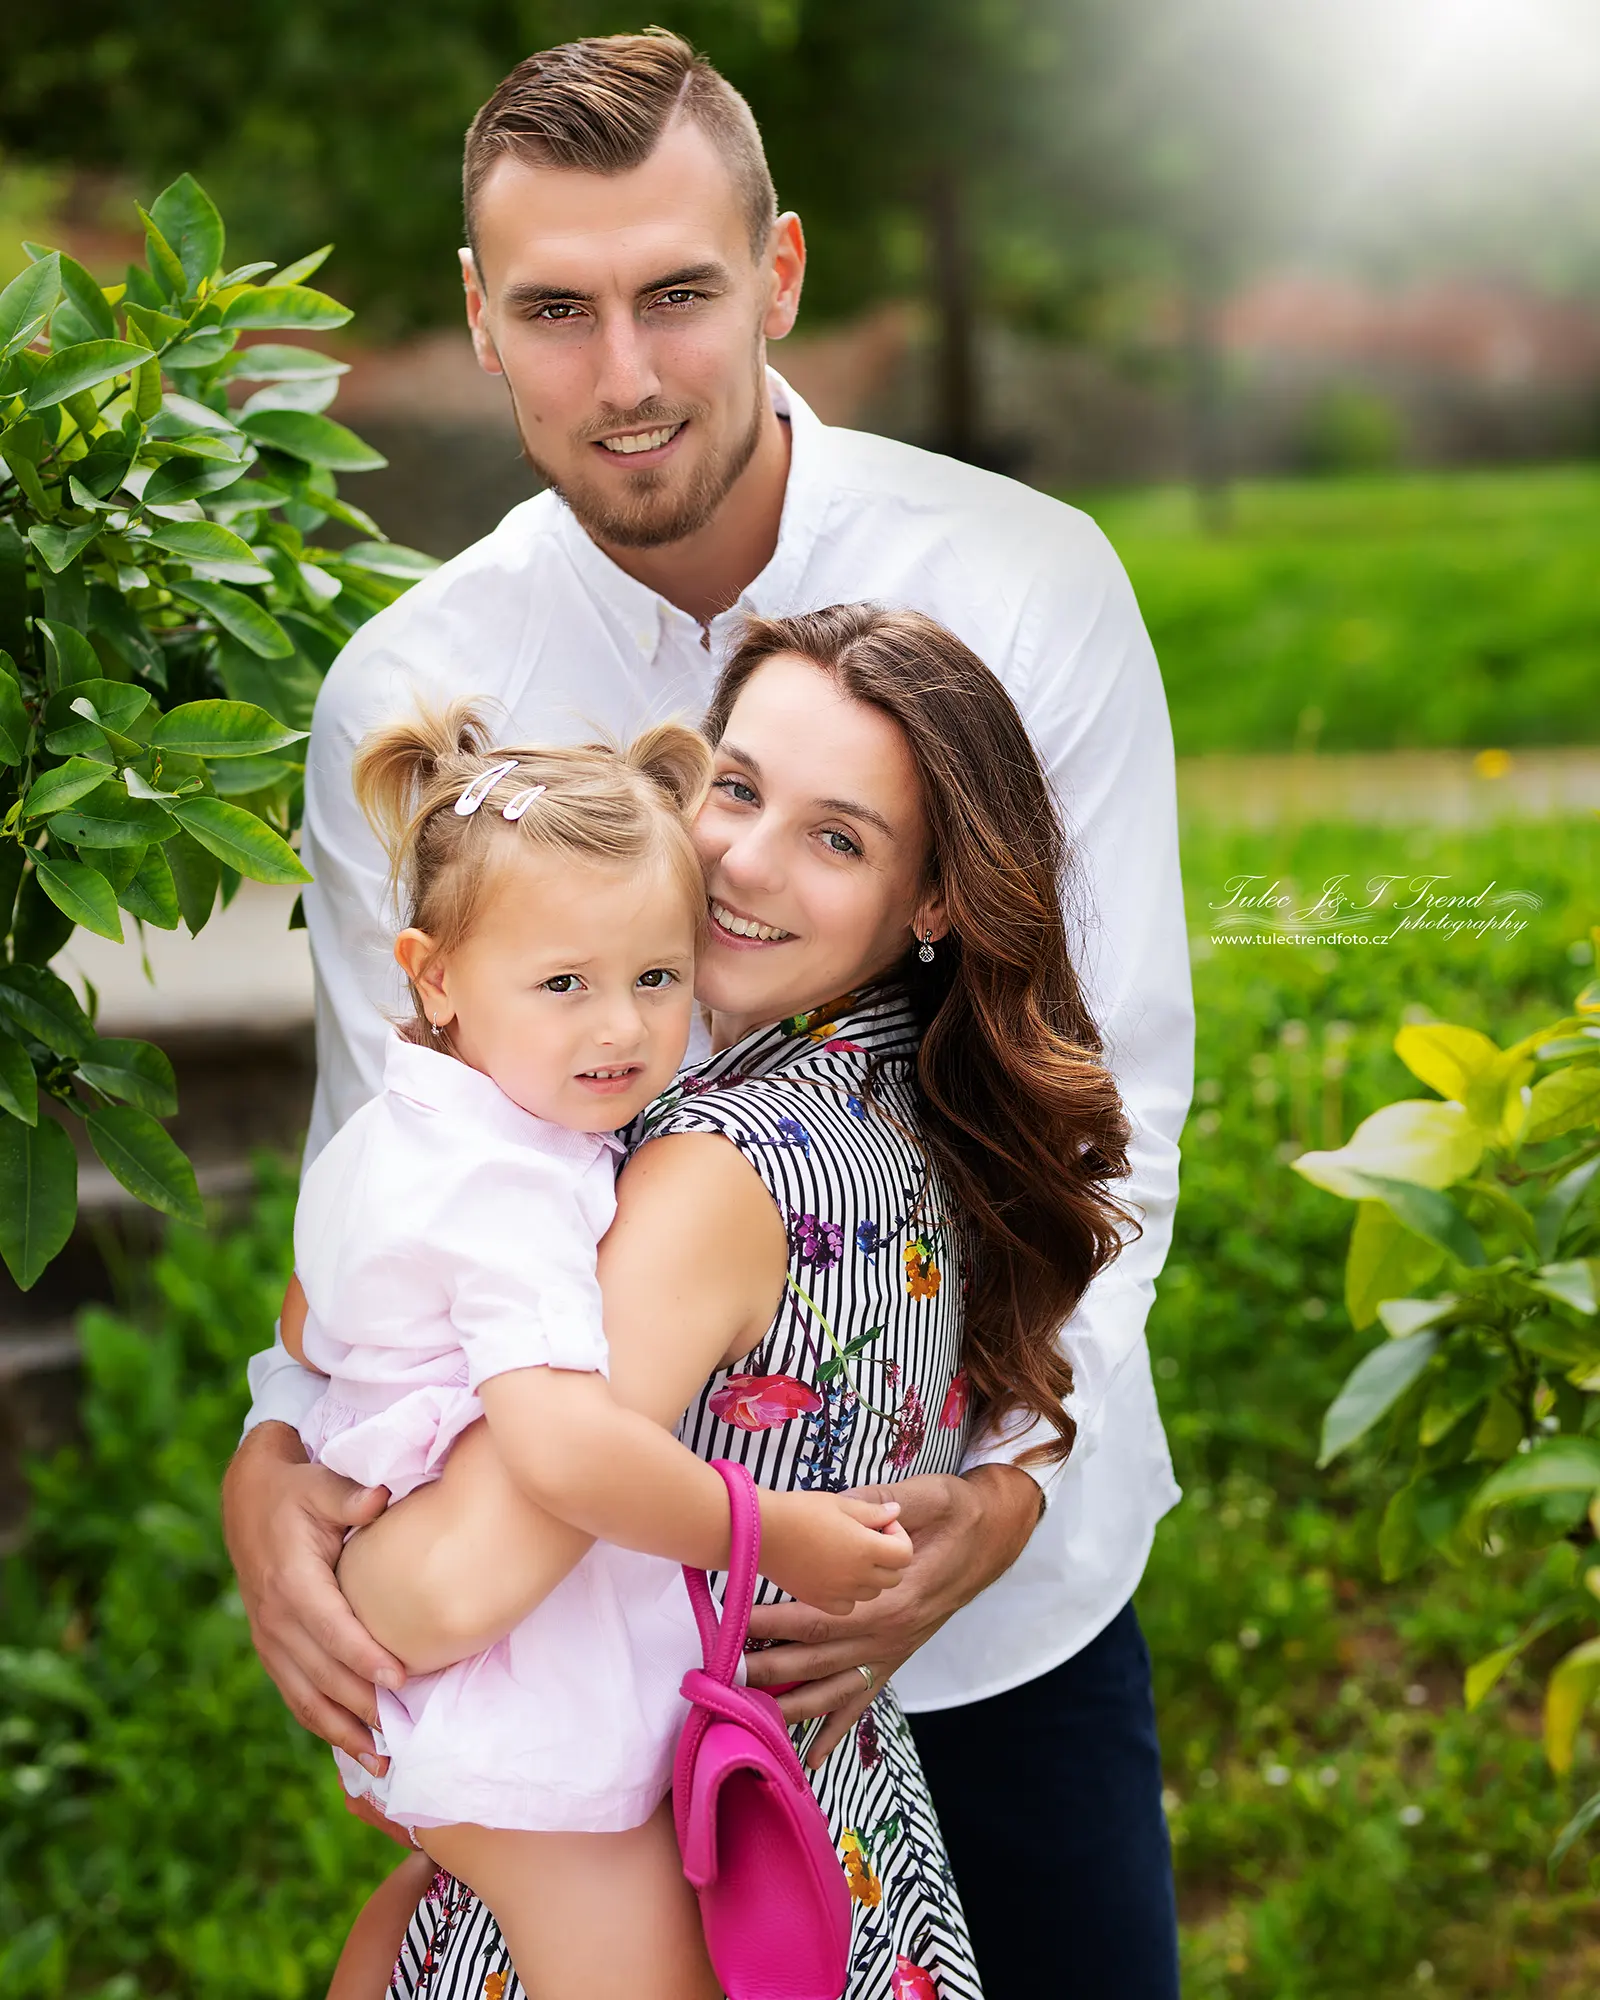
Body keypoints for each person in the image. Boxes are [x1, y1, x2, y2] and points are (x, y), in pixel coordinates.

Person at [221, 30, 1194, 1998]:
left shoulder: (1025, 585)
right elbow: (393, 1136)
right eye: (558, 311)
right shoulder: (412, 688)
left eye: (676, 292)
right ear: (480, 322)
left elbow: (1115, 1108)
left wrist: (995, 1493)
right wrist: (278, 1449)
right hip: (592, 1680)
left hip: (985, 1613)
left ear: (779, 274)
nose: (631, 374)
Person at [320, 603, 1136, 2000]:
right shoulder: (909, 1111)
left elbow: (456, 1588)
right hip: (828, 1836)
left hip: (656, 1867)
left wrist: (331, 1581)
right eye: (739, 788)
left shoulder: (716, 1166)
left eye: (838, 837)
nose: (742, 860)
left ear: (933, 900)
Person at [276, 704, 912, 1998]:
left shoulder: (415, 1126)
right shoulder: (507, 1188)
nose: (618, 1029)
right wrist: (775, 1532)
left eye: (656, 979)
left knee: (446, 1922)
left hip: (456, 1676)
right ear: (436, 976)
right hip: (508, 1686)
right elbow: (565, 1451)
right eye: (564, 983)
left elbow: (304, 1322)